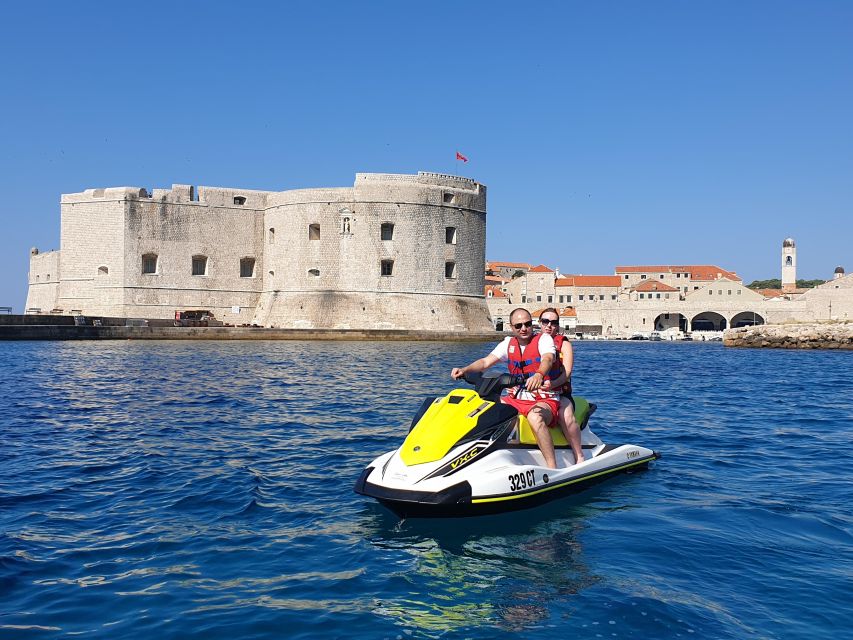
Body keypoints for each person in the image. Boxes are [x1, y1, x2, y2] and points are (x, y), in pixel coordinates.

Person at [451, 308, 563, 468]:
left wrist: (539, 374)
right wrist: (465, 370)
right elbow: (485, 362)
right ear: (511, 327)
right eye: (518, 326)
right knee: (481, 409)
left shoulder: (543, 339)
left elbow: (548, 359)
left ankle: (553, 467)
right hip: (516, 398)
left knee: (535, 418)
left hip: (544, 399)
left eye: (527, 324)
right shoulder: (508, 344)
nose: (523, 328)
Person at [538, 308, 584, 464]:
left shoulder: (563, 344)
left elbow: (567, 372)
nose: (549, 325)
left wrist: (553, 384)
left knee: (565, 415)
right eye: (545, 322)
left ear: (557, 325)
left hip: (560, 392)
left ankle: (579, 455)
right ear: (540, 323)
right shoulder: (533, 342)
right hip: (536, 392)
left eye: (553, 322)